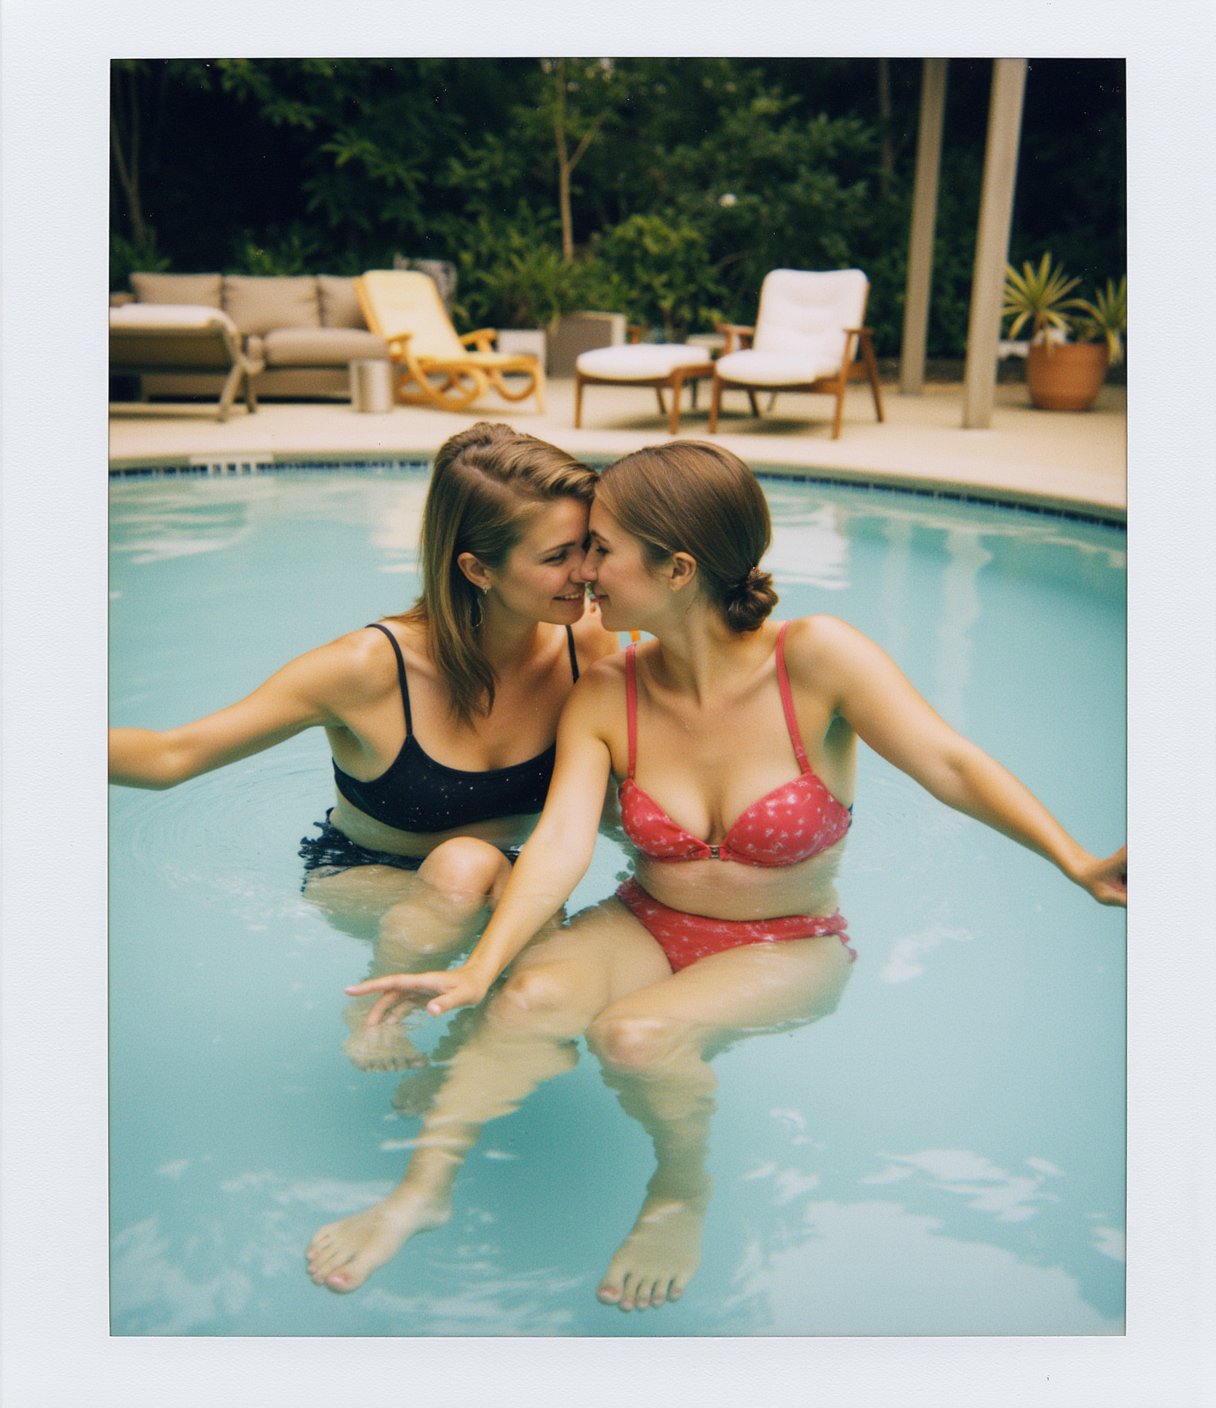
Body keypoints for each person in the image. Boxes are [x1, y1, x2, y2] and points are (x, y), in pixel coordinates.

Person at [305, 440, 1127, 1304]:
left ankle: (680, 1191)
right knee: (529, 999)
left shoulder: (817, 658)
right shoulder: (608, 687)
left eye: (603, 548)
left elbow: (950, 764)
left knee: (637, 1037)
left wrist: (1074, 860)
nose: (585, 571)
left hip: (787, 941)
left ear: (677, 567)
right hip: (643, 921)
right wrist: (479, 967)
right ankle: (419, 1193)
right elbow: (559, 844)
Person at [109, 422, 620, 1067]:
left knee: (517, 903)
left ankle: (476, 1048)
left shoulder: (589, 642)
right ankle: (373, 1014)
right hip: (369, 880)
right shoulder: (366, 670)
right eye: (558, 557)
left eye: (590, 547)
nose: (588, 573)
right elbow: (169, 757)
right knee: (468, 863)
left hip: (511, 879)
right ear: (477, 568)